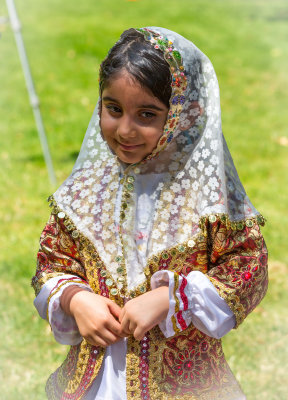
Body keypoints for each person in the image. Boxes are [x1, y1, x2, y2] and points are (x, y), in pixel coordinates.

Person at [32, 27, 268, 400]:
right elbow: (52, 263)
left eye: (146, 114)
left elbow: (247, 269)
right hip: (97, 383)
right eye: (114, 109)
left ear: (183, 115)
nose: (125, 129)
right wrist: (75, 299)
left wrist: (174, 299)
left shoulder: (207, 193)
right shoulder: (89, 187)